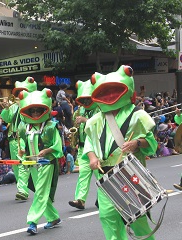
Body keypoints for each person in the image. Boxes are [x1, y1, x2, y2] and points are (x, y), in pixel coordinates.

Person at [84, 65, 158, 239]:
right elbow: (89, 143)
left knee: (136, 219)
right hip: (105, 174)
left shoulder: (138, 115)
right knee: (107, 216)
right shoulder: (95, 120)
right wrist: (92, 157)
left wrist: (137, 143)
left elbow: (152, 142)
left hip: (129, 172)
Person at [18, 88, 63, 235]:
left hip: (46, 163)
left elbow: (57, 145)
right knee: (40, 192)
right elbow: (23, 145)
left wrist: (47, 150)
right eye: (33, 111)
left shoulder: (51, 126)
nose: (36, 114)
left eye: (38, 110)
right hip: (32, 164)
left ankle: (32, 221)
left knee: (41, 193)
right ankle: (54, 217)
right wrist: (22, 152)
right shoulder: (25, 127)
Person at [0, 76, 37, 201]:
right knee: (16, 166)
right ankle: (29, 188)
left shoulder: (31, 105)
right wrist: (5, 108)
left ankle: (22, 190)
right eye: (18, 92)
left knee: (23, 164)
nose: (19, 95)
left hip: (23, 137)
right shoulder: (14, 106)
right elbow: (7, 118)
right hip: (12, 139)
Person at [68, 79, 99, 210]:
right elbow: (75, 125)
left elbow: (100, 125)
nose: (85, 103)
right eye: (83, 100)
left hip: (96, 148)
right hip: (82, 147)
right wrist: (73, 137)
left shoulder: (99, 109)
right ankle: (80, 200)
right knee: (83, 175)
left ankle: (105, 197)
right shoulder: (79, 110)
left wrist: (85, 120)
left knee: (101, 175)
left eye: (88, 99)